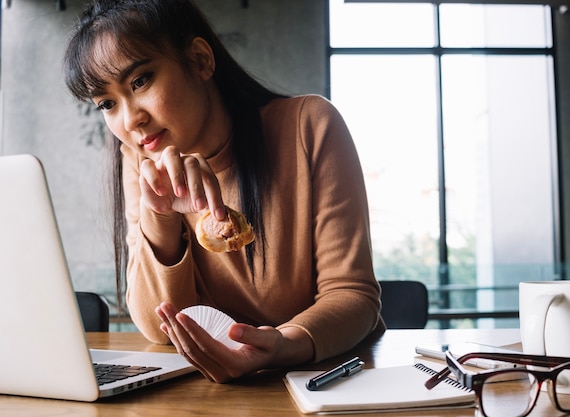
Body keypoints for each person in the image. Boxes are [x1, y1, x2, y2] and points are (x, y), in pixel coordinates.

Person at [63, 0, 383, 382]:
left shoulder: (308, 127)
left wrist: (285, 344)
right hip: (209, 390)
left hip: (321, 377)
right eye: (107, 103)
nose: (131, 119)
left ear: (199, 60)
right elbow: (156, 325)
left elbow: (353, 294)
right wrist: (161, 217)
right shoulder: (138, 159)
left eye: (140, 81)